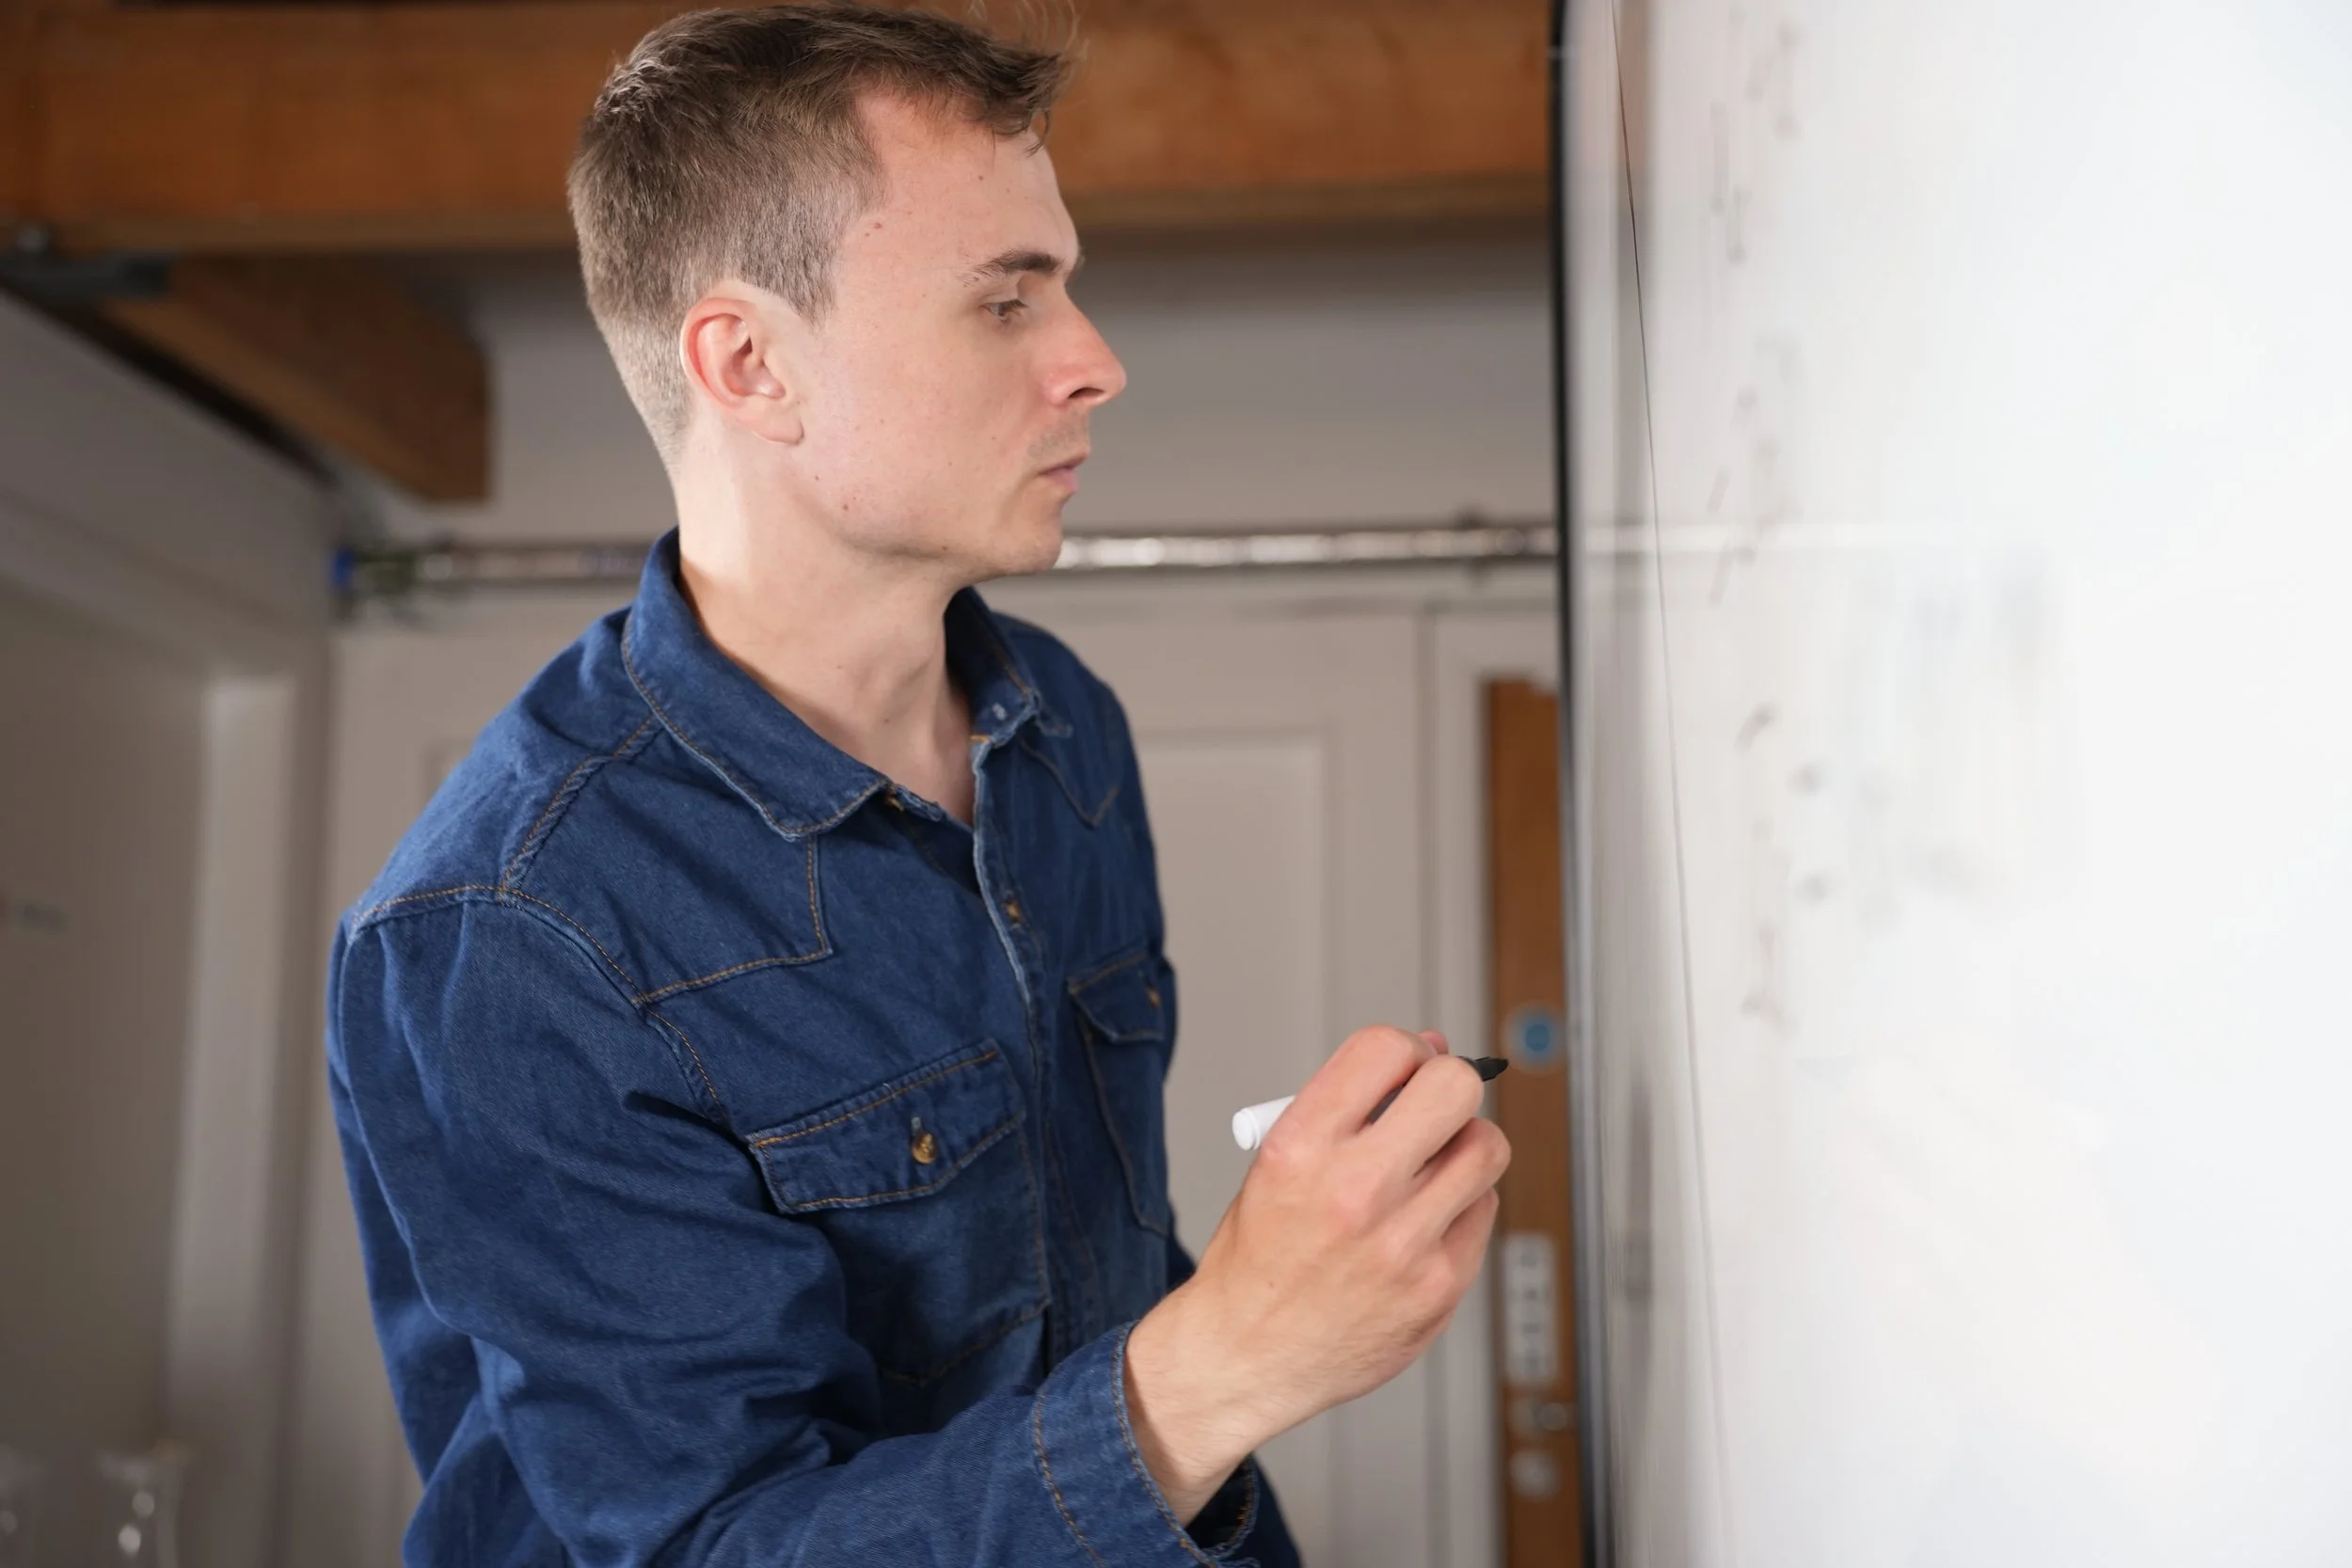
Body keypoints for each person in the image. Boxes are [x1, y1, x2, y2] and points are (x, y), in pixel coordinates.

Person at [324, 5, 1512, 1563]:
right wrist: (1230, 1358)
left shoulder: (1057, 729)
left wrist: (1265, 1300)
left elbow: (1083, 1277)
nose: (1095, 363)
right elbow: (709, 1545)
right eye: (1006, 300)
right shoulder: (508, 928)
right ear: (749, 362)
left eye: (1065, 287)